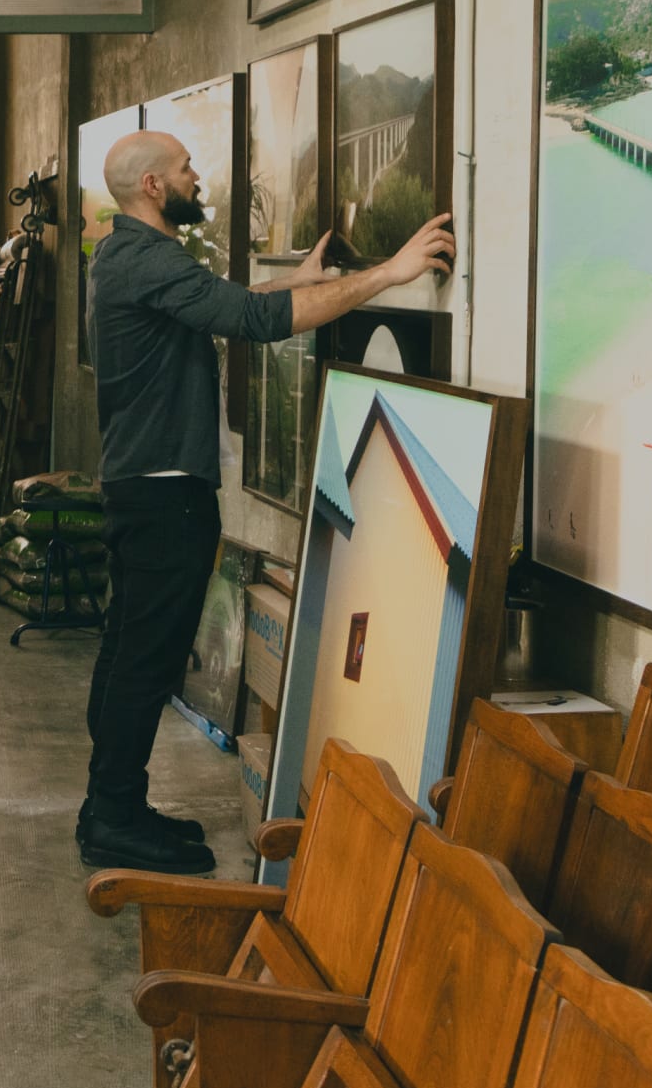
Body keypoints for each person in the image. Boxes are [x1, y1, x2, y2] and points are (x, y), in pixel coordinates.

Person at [77, 126, 457, 873]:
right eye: (185, 167)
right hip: (165, 497)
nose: (196, 177)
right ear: (152, 186)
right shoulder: (150, 258)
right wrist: (389, 273)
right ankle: (112, 819)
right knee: (144, 663)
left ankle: (111, 805)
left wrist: (297, 279)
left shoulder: (125, 255)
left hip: (139, 488)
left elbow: (225, 304)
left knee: (128, 653)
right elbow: (252, 324)